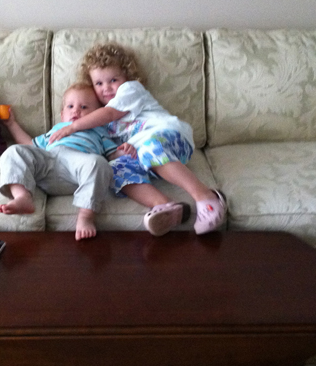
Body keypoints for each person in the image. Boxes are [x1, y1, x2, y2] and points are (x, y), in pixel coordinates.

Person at [49, 43, 227, 235]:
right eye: (98, 84)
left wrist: (73, 126)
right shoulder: (100, 123)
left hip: (169, 136)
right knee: (114, 170)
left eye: (113, 80)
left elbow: (110, 113)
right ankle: (165, 206)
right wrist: (122, 151)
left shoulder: (130, 90)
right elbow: (111, 148)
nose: (106, 88)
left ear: (126, 77)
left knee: (151, 149)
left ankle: (207, 197)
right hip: (143, 155)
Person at [0, 82, 137, 241]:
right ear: (62, 114)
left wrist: (125, 150)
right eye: (70, 106)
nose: (76, 110)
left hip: (78, 169)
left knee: (99, 164)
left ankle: (85, 216)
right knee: (14, 151)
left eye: (84, 107)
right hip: (47, 163)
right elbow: (29, 145)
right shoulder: (57, 129)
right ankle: (22, 196)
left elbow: (113, 155)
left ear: (97, 115)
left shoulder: (98, 131)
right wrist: (11, 124)